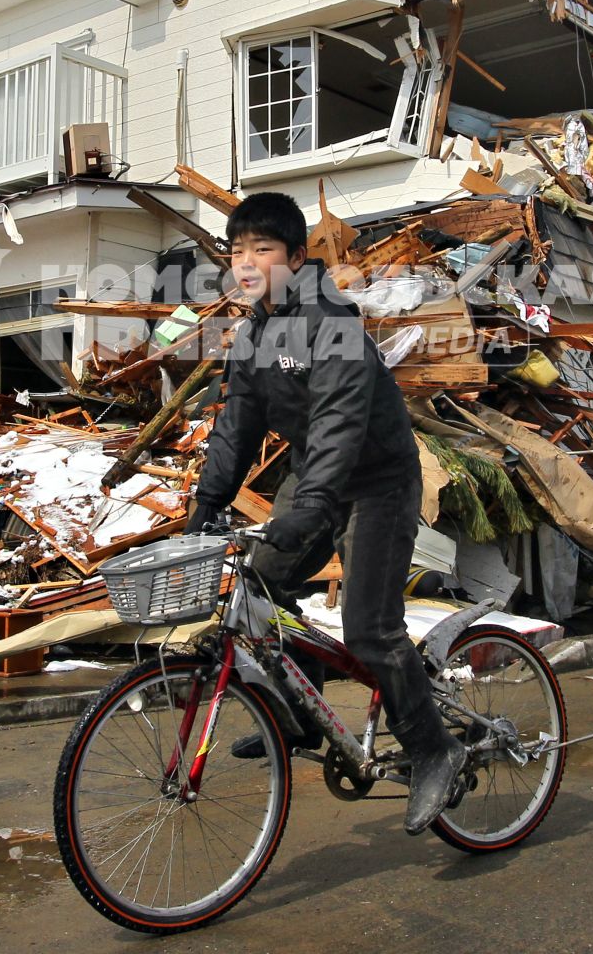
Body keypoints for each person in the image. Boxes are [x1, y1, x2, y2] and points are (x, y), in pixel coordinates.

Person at [187, 191, 466, 836]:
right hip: (319, 479)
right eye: (237, 251)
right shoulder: (256, 333)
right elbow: (237, 424)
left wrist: (311, 504)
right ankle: (299, 717)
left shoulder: (330, 319)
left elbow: (341, 419)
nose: (247, 262)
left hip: (376, 482)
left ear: (294, 257)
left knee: (369, 627)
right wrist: (207, 503)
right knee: (263, 583)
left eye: (263, 249)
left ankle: (433, 746)